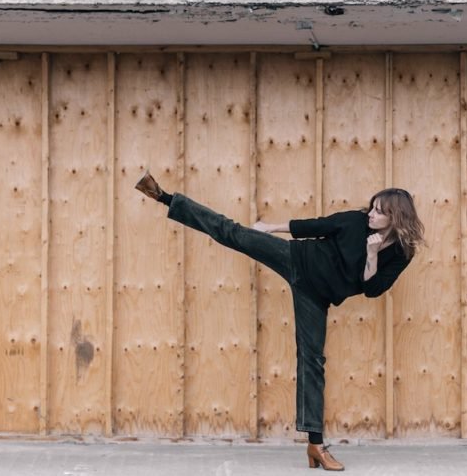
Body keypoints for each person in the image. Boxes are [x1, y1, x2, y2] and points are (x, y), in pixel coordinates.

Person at [135, 171, 425, 471]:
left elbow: (372, 289)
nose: (371, 214)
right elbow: (314, 225)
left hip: (315, 295)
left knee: (312, 362)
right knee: (231, 232)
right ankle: (165, 197)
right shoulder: (355, 220)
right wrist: (270, 228)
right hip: (295, 257)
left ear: (396, 217)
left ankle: (315, 445)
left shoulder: (402, 253)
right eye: (373, 207)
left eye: (379, 211)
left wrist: (372, 253)